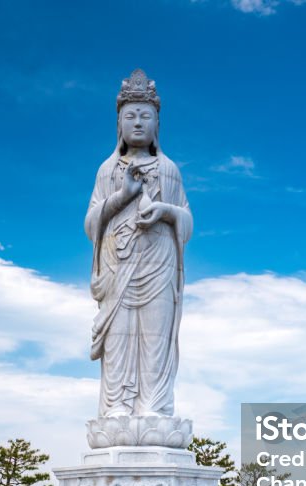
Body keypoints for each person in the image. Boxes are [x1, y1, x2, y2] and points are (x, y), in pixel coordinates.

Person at [85, 69, 193, 418]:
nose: (137, 123)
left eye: (145, 116)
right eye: (129, 116)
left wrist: (165, 210)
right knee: (120, 337)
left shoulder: (168, 169)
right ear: (118, 123)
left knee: (155, 338)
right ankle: (117, 407)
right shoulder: (107, 169)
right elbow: (90, 224)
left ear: (157, 124)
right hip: (119, 264)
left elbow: (188, 222)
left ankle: (155, 408)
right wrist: (121, 197)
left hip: (159, 264)